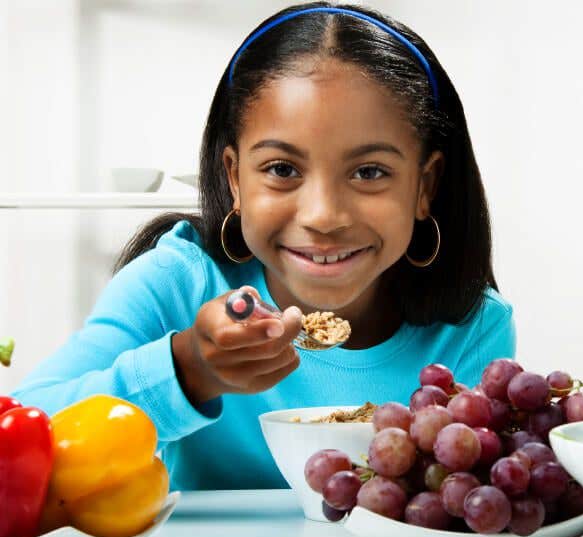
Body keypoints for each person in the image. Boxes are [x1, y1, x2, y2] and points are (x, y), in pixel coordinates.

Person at [13, 2, 515, 490]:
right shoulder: (174, 285)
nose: (322, 216)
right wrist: (189, 369)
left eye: (369, 172)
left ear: (424, 187)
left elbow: (465, 502)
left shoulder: (470, 332)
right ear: (234, 178)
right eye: (282, 170)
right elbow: (19, 432)